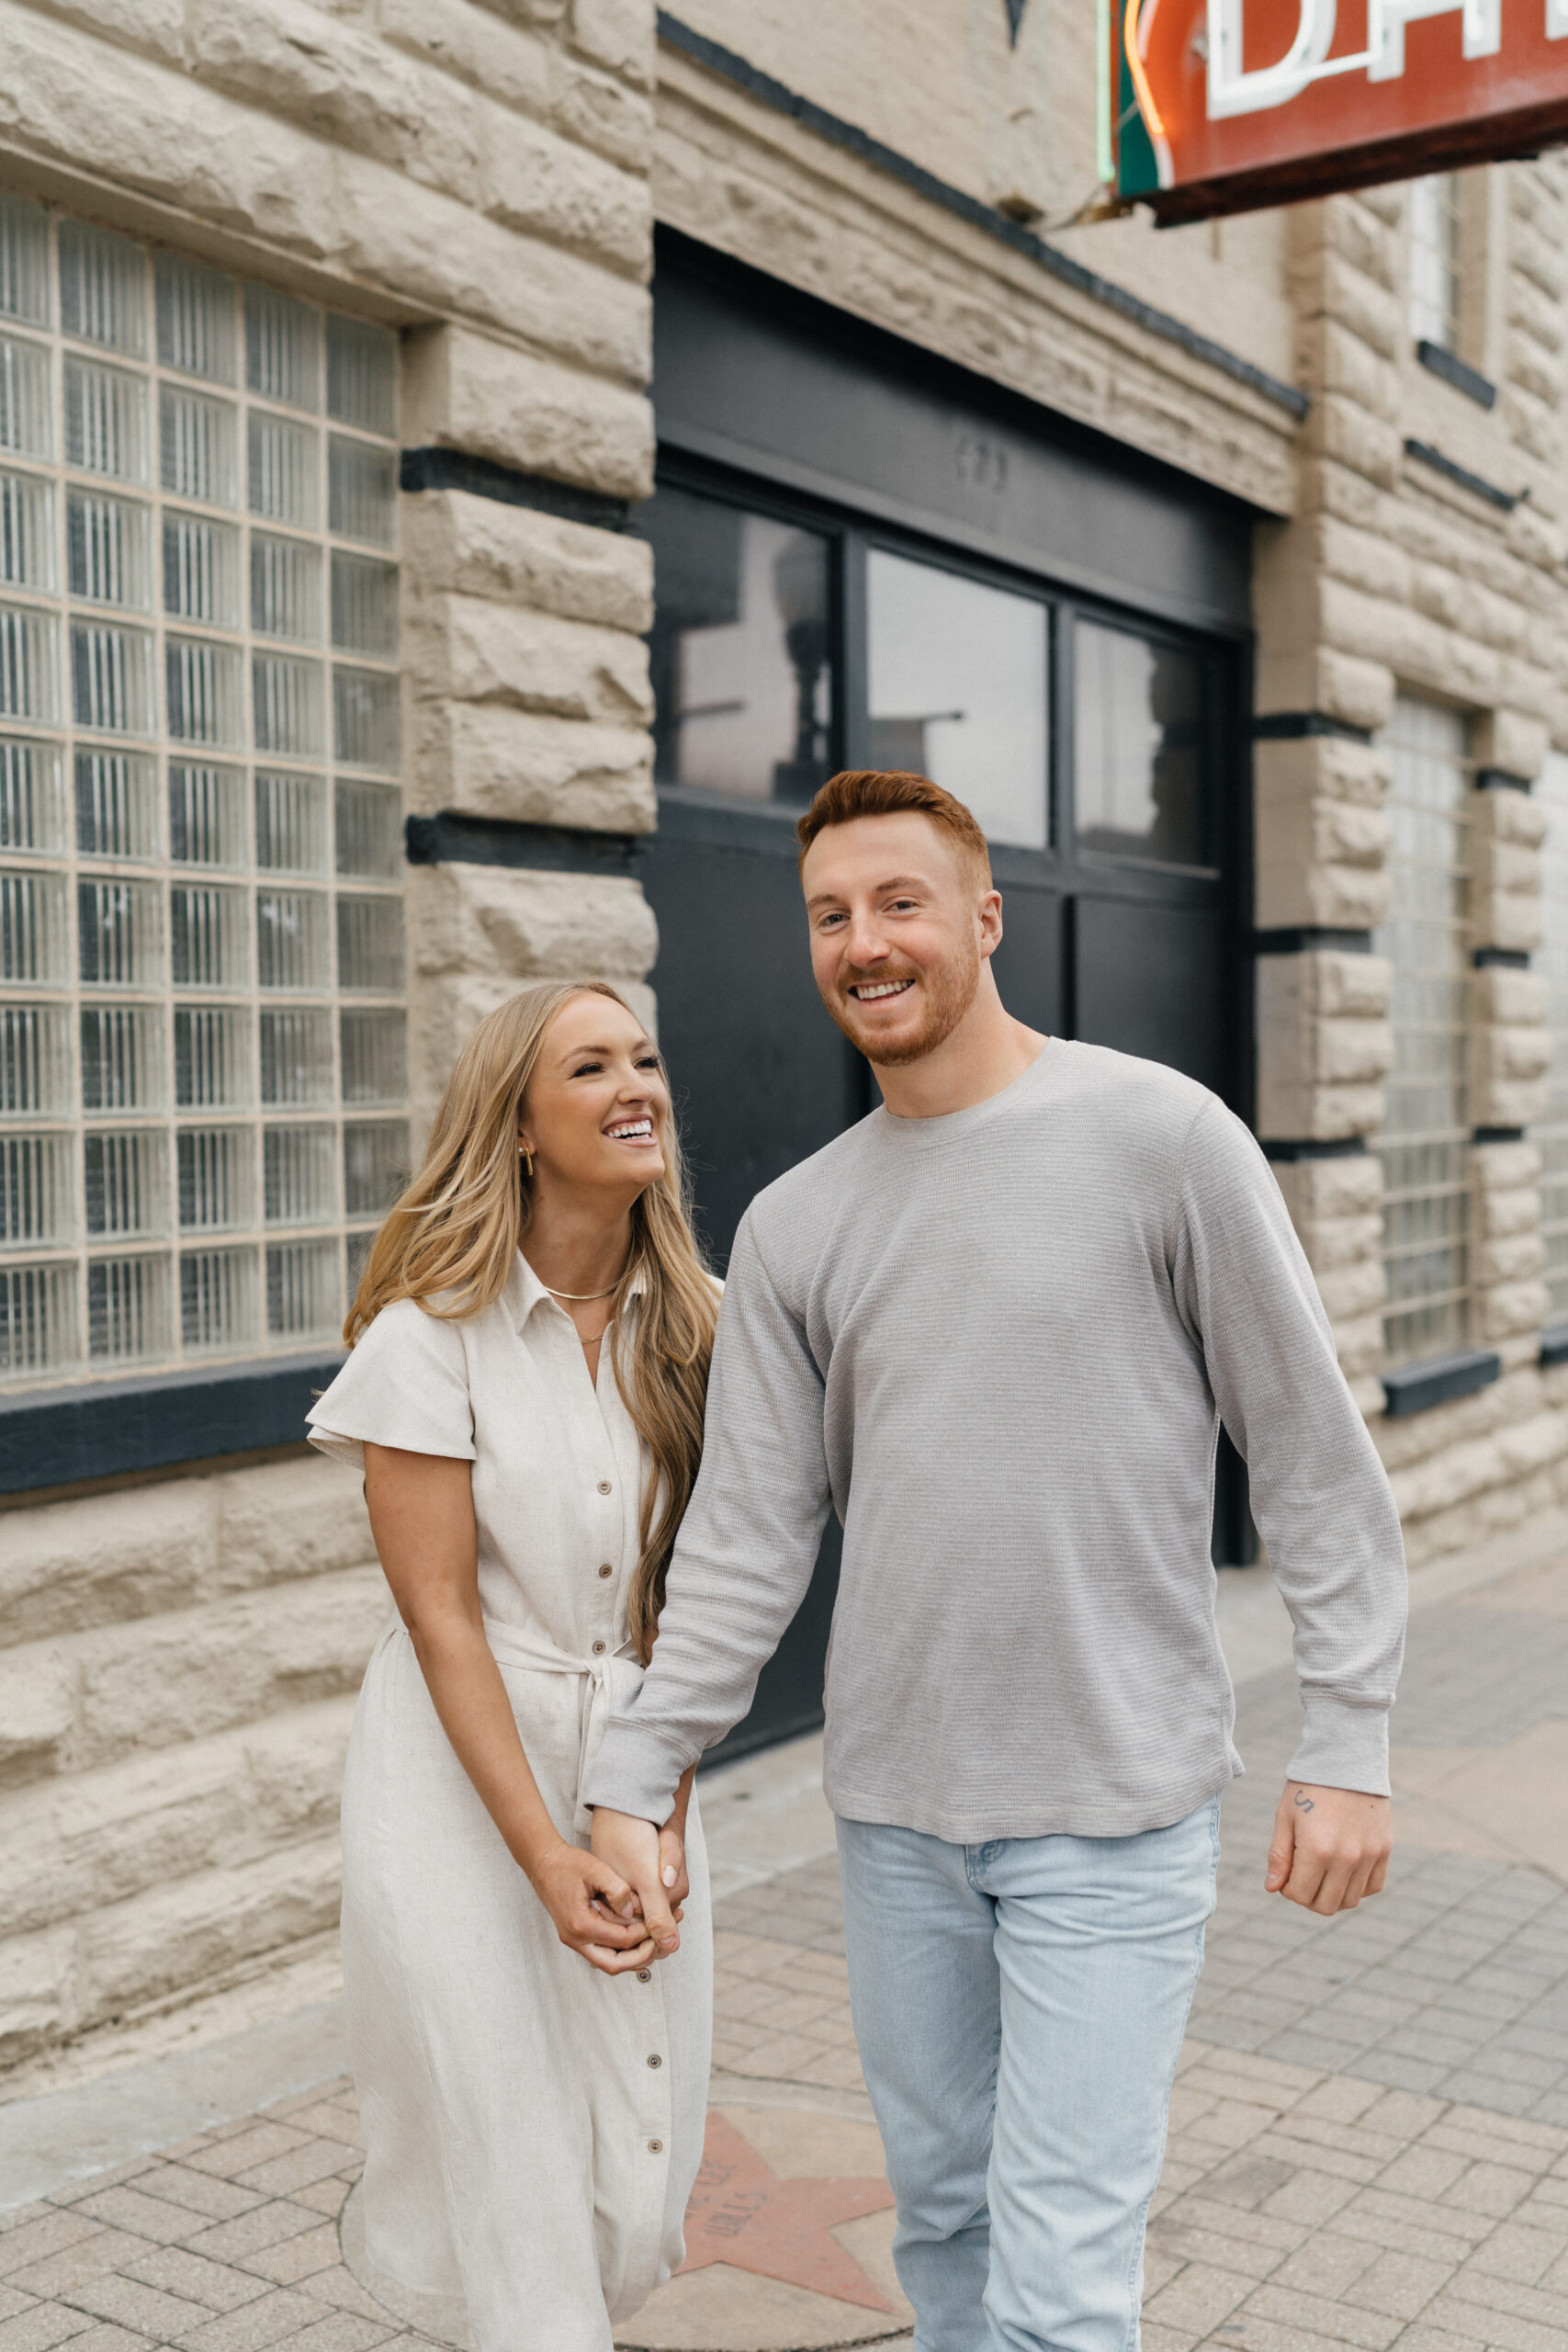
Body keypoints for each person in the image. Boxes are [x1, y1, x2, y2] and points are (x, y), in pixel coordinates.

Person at [586, 770, 1407, 2352]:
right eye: (830, 915)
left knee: (1062, 2272)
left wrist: (1351, 1739)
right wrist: (642, 1766)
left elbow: (1309, 1456)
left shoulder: (1161, 1135)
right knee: (949, 2226)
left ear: (984, 916)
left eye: (899, 903)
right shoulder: (800, 1223)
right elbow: (751, 1535)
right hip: (895, 1819)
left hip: (1114, 1811)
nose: (863, 942)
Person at [305, 981, 719, 2352]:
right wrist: (544, 1853)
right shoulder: (429, 1340)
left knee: (635, 2169)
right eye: (590, 1066)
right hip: (455, 1770)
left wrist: (656, 1803)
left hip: (636, 1761)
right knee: (509, 2149)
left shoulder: (705, 1325)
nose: (633, 1086)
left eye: (644, 1060)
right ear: (521, 1127)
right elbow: (441, 1621)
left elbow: (701, 1602)